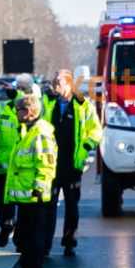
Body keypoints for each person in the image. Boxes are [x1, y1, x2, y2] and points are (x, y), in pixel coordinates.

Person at [41, 69, 100, 255]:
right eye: (54, 81)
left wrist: (85, 148)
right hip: (51, 164)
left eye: (58, 82)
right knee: (48, 205)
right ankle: (45, 244)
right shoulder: (48, 103)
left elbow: (96, 130)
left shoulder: (83, 105)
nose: (54, 85)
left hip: (72, 164)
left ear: (68, 84)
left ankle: (69, 240)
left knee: (72, 204)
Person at [4, 88, 58, 268]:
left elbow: (46, 164)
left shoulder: (40, 133)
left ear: (28, 111)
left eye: (18, 110)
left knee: (34, 235)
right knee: (26, 234)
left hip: (34, 195)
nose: (16, 114)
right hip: (27, 194)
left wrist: (39, 188)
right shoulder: (29, 131)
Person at [0, 73, 36, 248]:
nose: (17, 91)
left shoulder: (31, 109)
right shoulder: (5, 108)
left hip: (22, 168)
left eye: (21, 89)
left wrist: (17, 94)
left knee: (23, 204)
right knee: (1, 198)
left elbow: (24, 102)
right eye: (17, 88)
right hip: (4, 167)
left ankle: (20, 237)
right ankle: (7, 224)